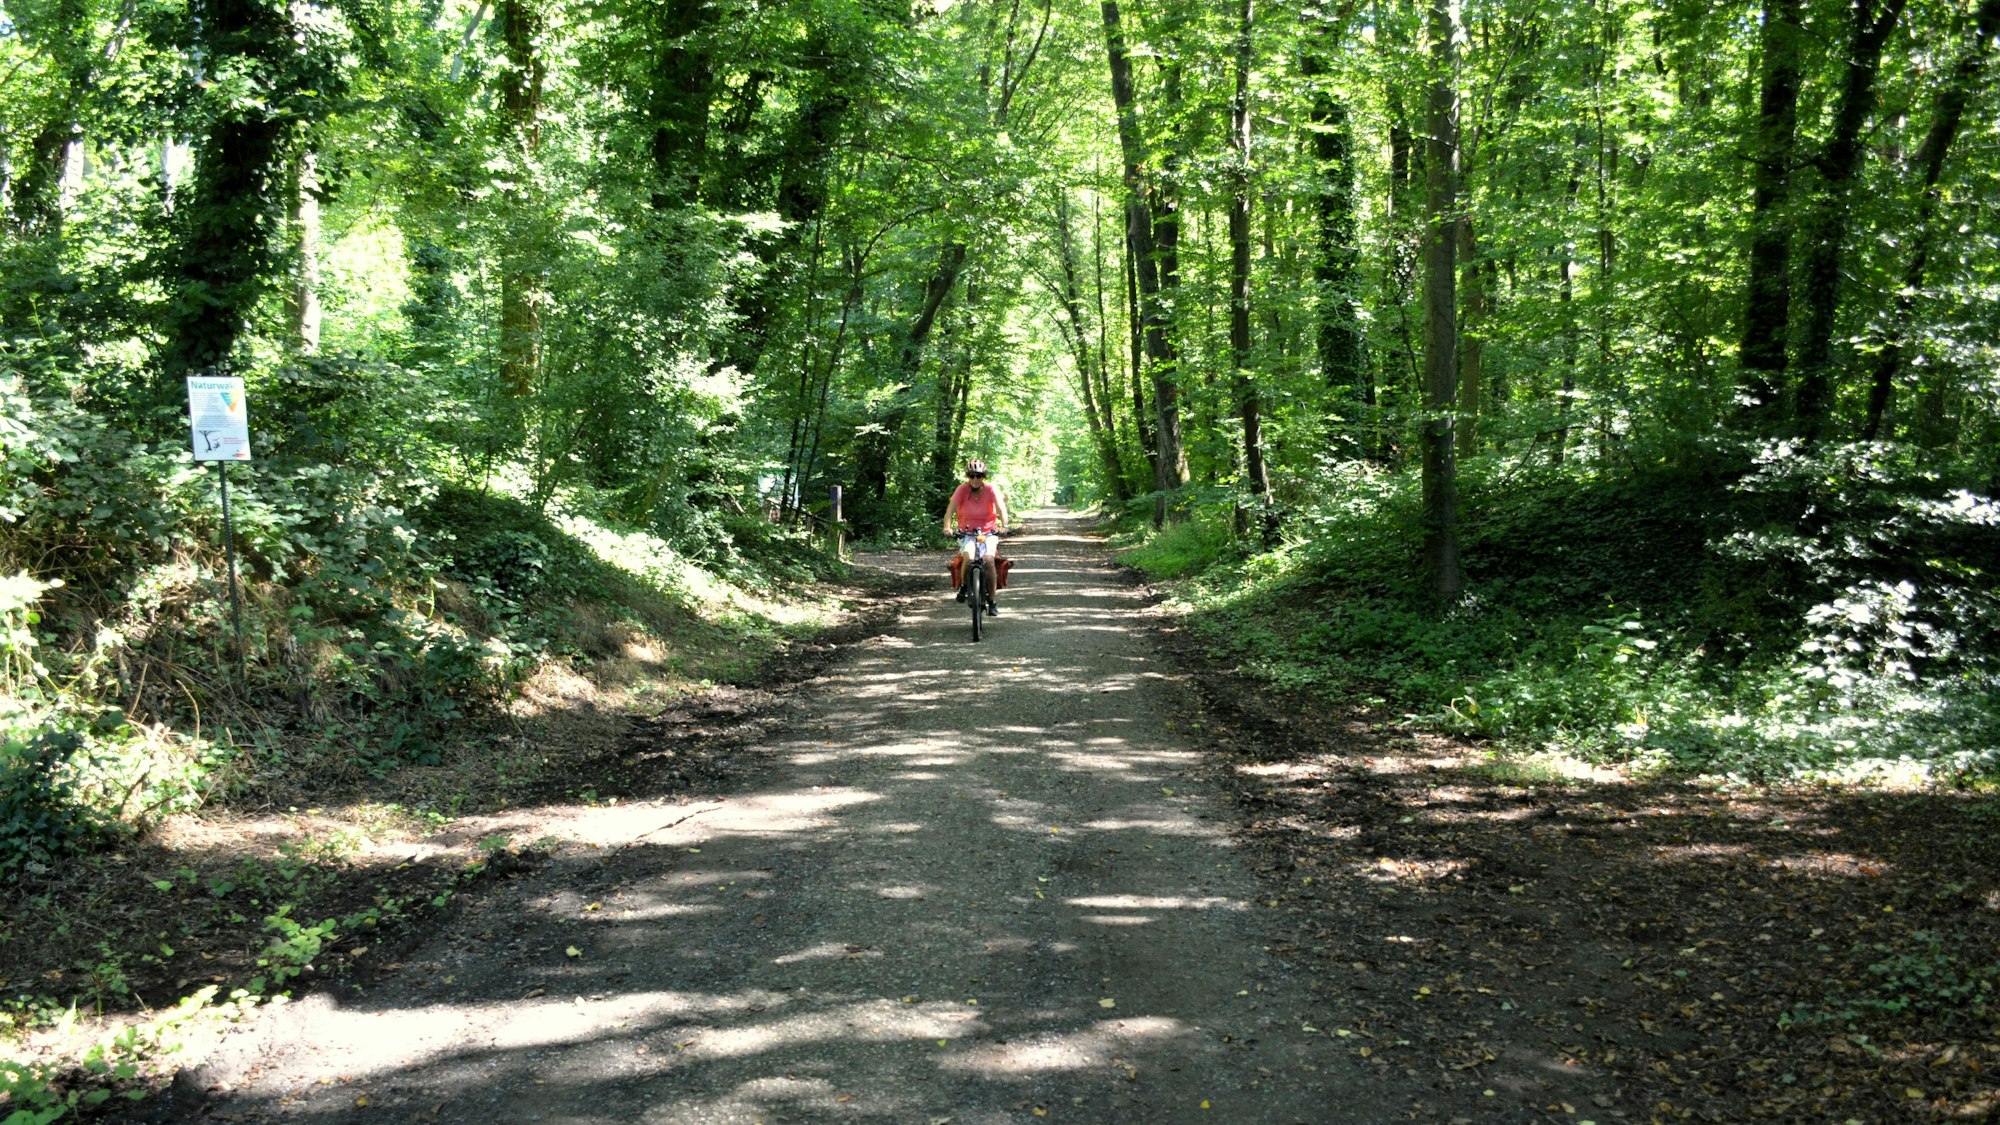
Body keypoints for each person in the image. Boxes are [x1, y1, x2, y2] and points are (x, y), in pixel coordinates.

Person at [943, 459, 1012, 615]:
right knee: (967, 556)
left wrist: (1004, 526)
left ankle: (992, 601)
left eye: (979, 476)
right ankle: (964, 586)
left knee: (988, 560)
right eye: (972, 476)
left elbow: (1001, 509)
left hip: (989, 532)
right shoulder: (961, 489)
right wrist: (947, 527)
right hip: (966, 531)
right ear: (968, 476)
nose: (975, 479)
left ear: (983, 477)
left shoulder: (991, 489)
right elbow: (950, 511)